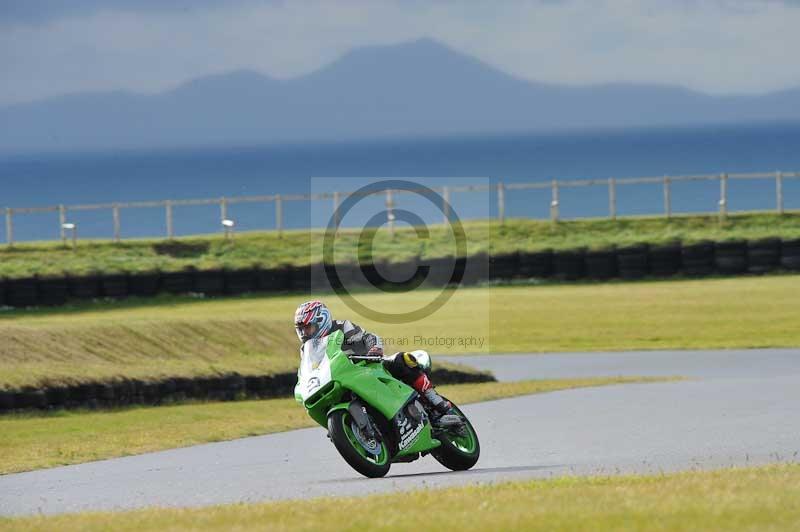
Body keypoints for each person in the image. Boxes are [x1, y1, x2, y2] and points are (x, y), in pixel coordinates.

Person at [294, 300, 457, 423]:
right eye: (300, 329)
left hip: (368, 366)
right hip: (341, 380)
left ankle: (438, 403)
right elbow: (310, 369)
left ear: (322, 321)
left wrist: (374, 349)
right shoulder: (306, 351)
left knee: (402, 360)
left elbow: (369, 337)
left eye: (308, 327)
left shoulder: (341, 327)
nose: (304, 333)